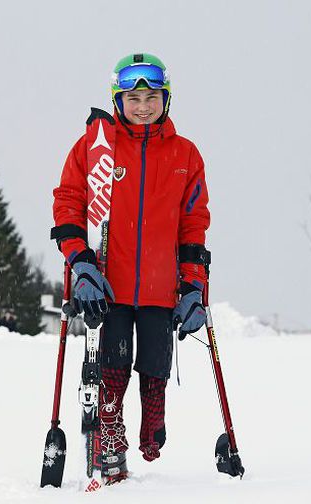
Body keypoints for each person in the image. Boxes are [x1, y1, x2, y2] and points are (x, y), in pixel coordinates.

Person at [51, 53, 210, 465]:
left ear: (166, 98)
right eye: (132, 97)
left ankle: (151, 426)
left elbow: (193, 225)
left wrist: (194, 287)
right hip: (108, 282)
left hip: (161, 287)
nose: (143, 106)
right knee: (113, 362)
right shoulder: (94, 148)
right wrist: (81, 263)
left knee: (155, 365)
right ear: (117, 100)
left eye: (152, 96)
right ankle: (108, 434)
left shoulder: (186, 156)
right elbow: (68, 202)